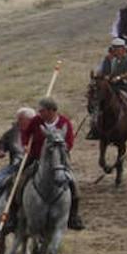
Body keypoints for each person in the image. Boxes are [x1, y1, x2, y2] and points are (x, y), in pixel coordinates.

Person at [20, 97, 86, 230]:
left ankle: (73, 217)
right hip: (35, 157)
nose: (39, 113)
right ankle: (17, 210)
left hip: (59, 160)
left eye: (42, 111)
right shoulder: (37, 121)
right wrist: (26, 144)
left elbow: (70, 141)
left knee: (73, 184)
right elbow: (25, 134)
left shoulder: (64, 122)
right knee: (19, 180)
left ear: (51, 111)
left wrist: (61, 148)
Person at [0, 107, 36, 229]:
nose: (19, 122)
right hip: (14, 167)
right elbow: (2, 144)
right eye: (19, 119)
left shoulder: (38, 133)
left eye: (22, 119)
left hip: (35, 167)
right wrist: (1, 151)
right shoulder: (12, 133)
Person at [89, 38, 127, 138]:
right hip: (111, 87)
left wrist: (119, 77)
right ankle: (94, 127)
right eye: (114, 48)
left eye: (117, 48)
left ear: (123, 49)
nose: (115, 51)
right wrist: (104, 77)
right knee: (97, 102)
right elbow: (100, 71)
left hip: (125, 87)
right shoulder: (109, 59)